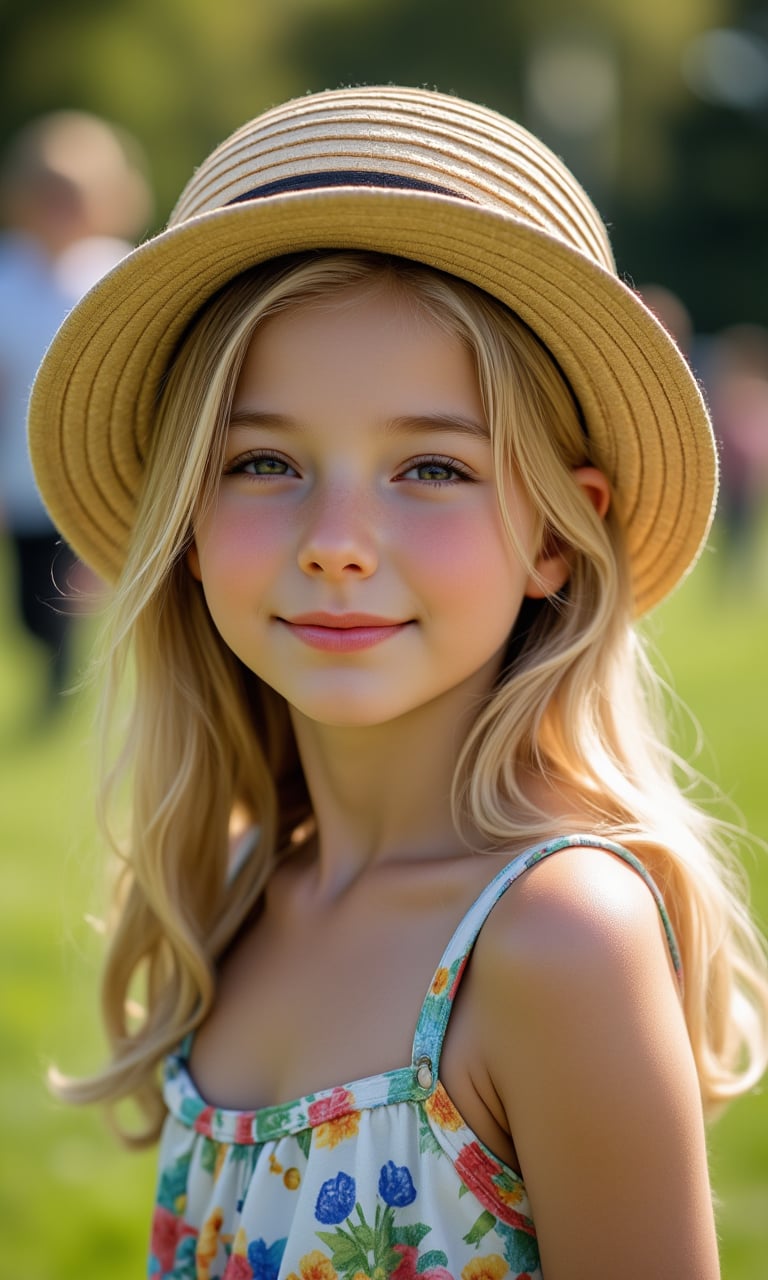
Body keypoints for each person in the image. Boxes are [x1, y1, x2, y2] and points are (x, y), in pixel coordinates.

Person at [28, 87, 768, 1280]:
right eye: (262, 460)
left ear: (557, 536)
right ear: (188, 523)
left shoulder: (555, 942)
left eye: (431, 465)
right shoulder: (236, 890)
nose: (338, 539)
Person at [0, 110, 151, 720]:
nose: (61, 213)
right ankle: (50, 661)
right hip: (19, 470)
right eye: (49, 197)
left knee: (70, 584)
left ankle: (61, 693)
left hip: (87, 461)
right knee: (29, 602)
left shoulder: (118, 271)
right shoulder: (8, 277)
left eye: (76, 199)